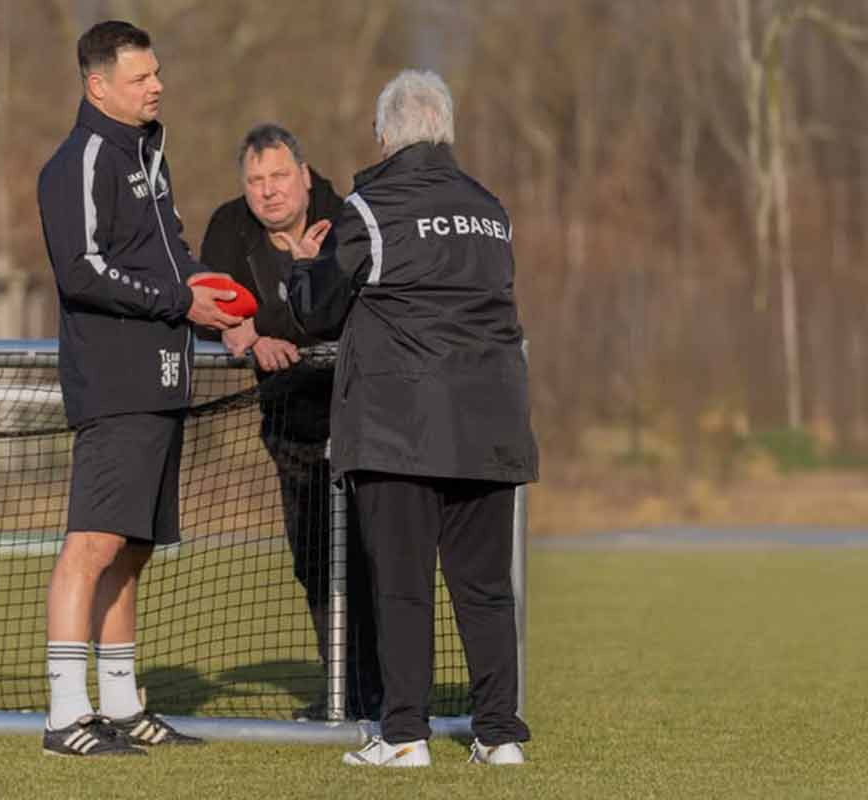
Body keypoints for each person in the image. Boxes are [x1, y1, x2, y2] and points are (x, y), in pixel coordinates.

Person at [279, 70, 539, 767]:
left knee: (401, 585)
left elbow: (317, 310)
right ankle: (499, 734)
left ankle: (402, 735)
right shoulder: (492, 209)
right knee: (486, 589)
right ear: (446, 129)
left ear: (387, 134)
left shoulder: (371, 209)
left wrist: (301, 267)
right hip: (492, 425)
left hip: (401, 431)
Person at [36, 20, 242, 757]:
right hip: (114, 380)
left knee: (132, 549)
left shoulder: (150, 149)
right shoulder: (79, 160)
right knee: (90, 544)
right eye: (140, 77)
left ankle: (123, 707)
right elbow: (82, 271)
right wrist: (179, 303)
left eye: (156, 73)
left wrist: (220, 310)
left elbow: (172, 252)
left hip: (164, 376)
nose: (156, 86)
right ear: (98, 86)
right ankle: (66, 716)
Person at [199, 124, 382, 721]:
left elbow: (341, 310)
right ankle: (344, 693)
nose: (268, 192)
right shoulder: (230, 228)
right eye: (256, 181)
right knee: (314, 562)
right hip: (290, 423)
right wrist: (241, 332)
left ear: (305, 175)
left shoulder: (349, 217)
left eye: (279, 177)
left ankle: (385, 692)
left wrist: (268, 322)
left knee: (373, 558)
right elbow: (205, 305)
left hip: (365, 416)